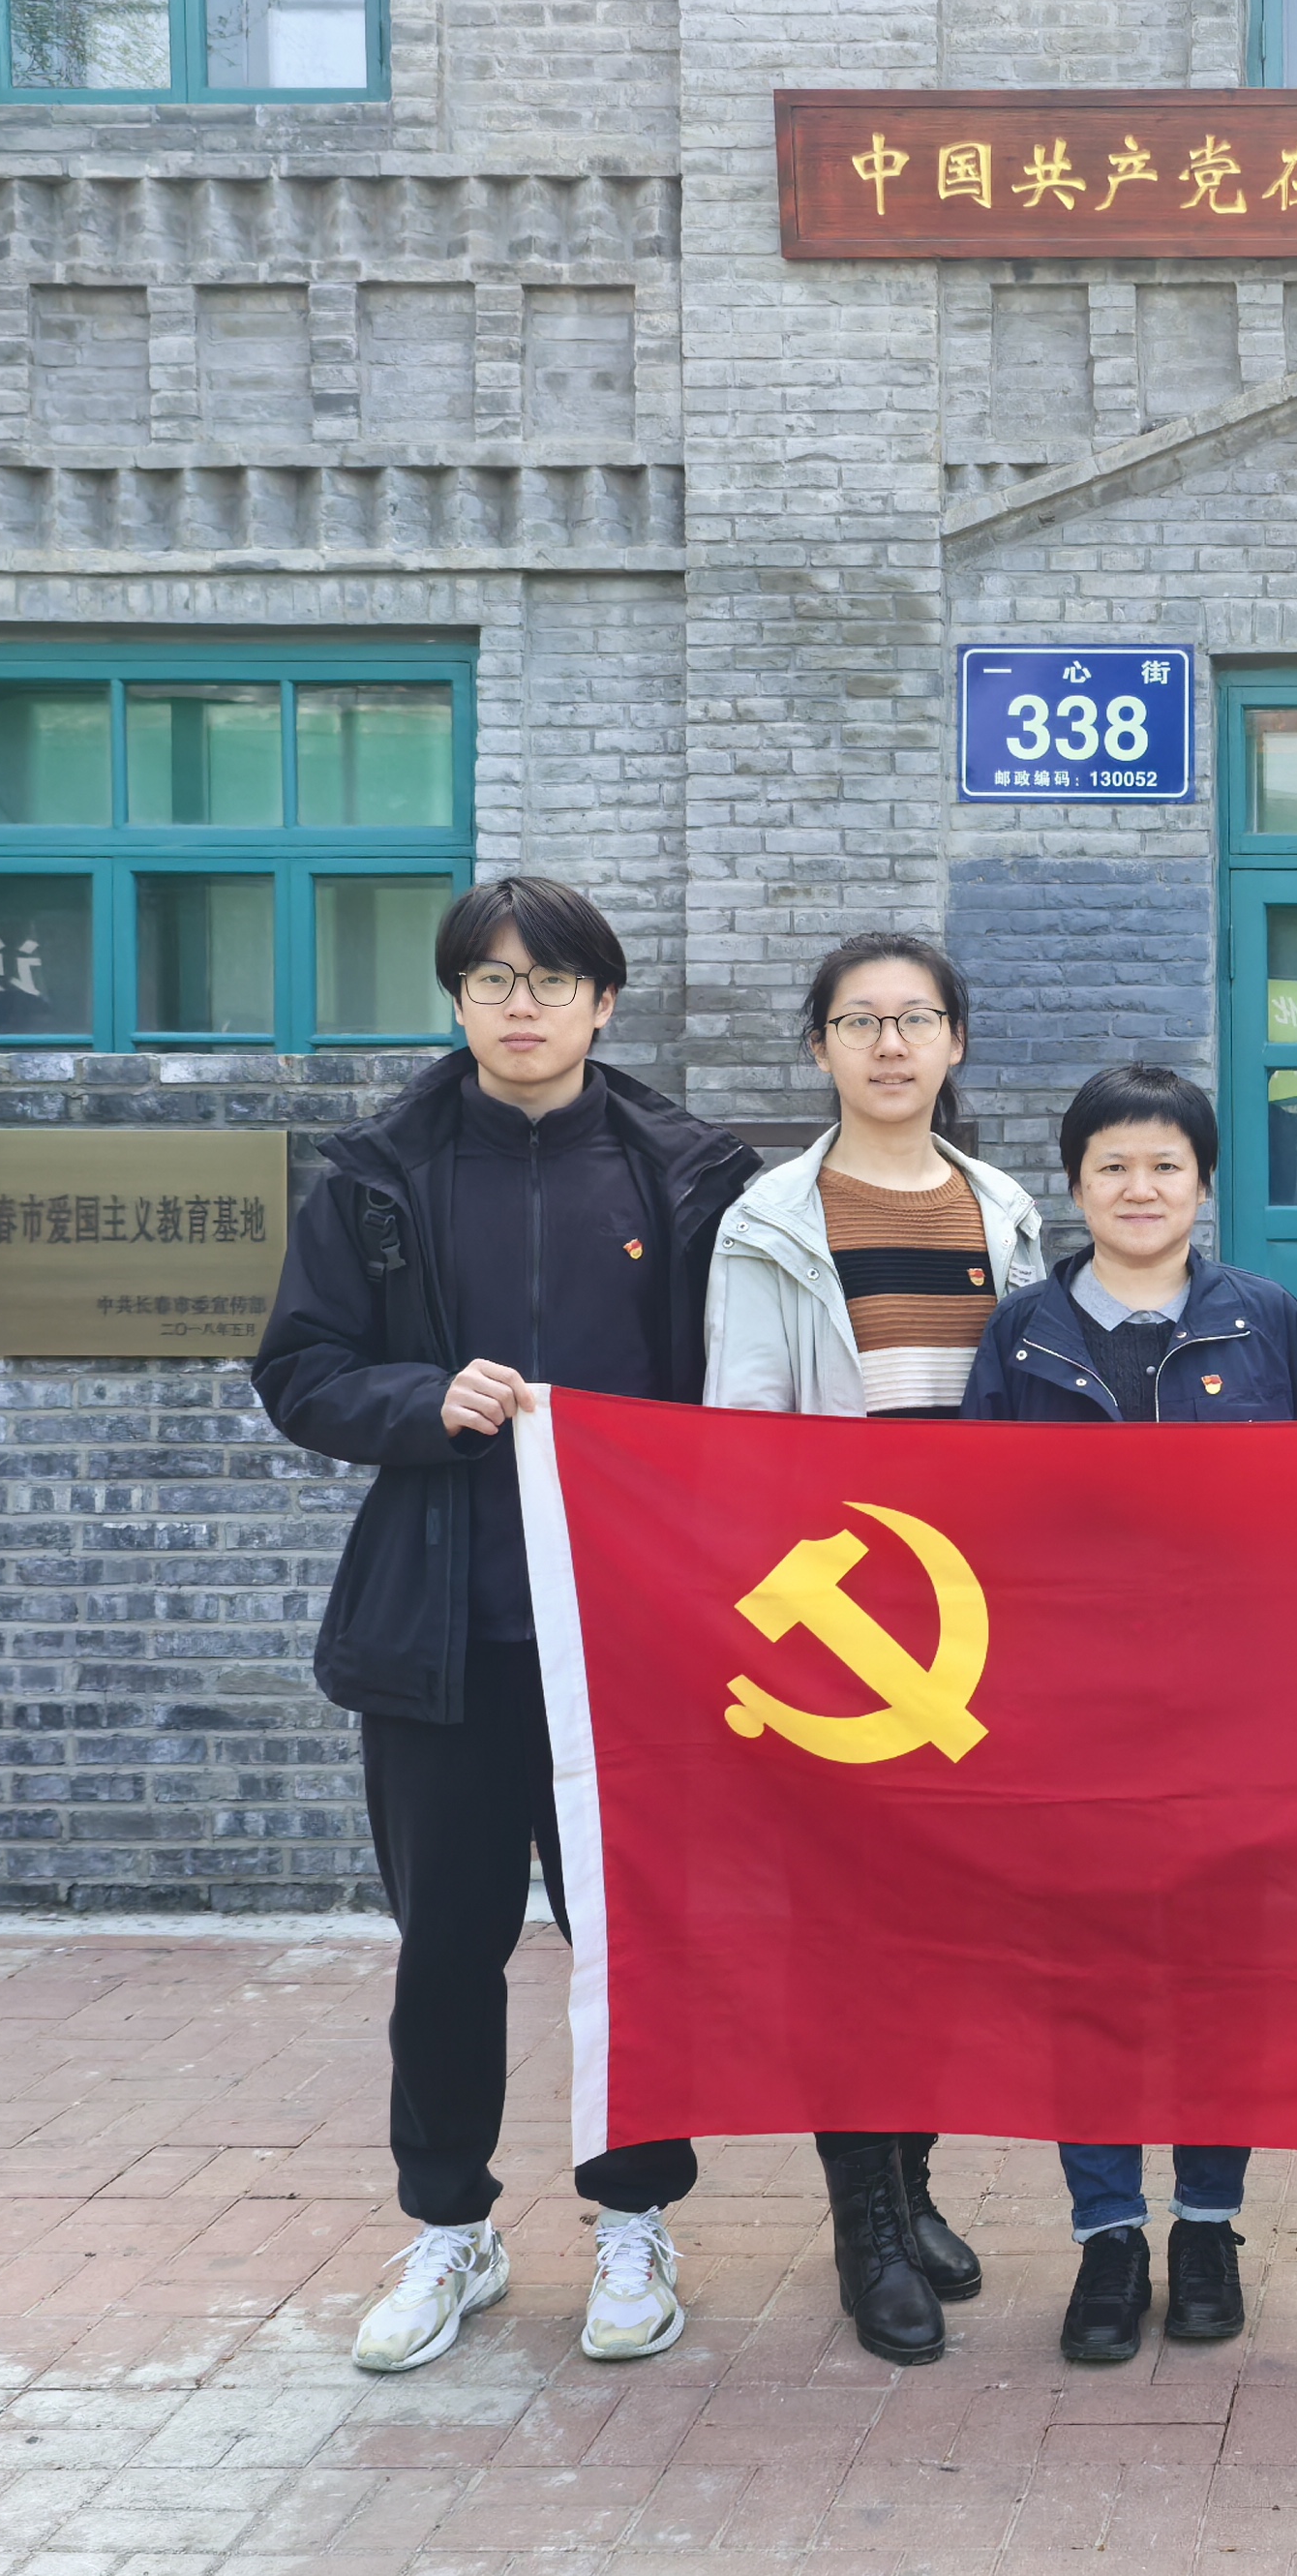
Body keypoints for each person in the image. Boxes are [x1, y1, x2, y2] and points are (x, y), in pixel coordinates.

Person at [251, 876, 762, 2377]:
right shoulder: (378, 1174)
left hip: (634, 1637)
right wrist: (426, 1400)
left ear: (604, 1003)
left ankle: (632, 2218)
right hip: (445, 1631)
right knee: (447, 1947)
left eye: (550, 980)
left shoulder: (690, 1176)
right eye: (491, 980)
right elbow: (301, 1369)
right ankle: (449, 2227)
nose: (520, 1005)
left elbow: (743, 1384)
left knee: (633, 1945)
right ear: (458, 1001)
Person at [701, 929, 1047, 2367]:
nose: (890, 1045)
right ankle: (865, 2221)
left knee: (949, 1919)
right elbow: (742, 1432)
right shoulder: (770, 1221)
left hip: (971, 1616)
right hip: (840, 1613)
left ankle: (912, 2179)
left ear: (956, 1040)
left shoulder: (1004, 1207)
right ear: (821, 1048)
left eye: (915, 1019)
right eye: (860, 1021)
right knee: (849, 1926)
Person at [960, 1063, 1297, 2363]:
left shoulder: (1267, 1319)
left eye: (1165, 1165)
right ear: (1075, 1183)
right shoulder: (1023, 1332)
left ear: (1203, 1183)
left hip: (1236, 1710)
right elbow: (973, 1523)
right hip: (1073, 1710)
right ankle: (1108, 2235)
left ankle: (1209, 2227)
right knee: (1092, 1974)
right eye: (1112, 1165)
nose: (1139, 1188)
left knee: (1224, 1969)